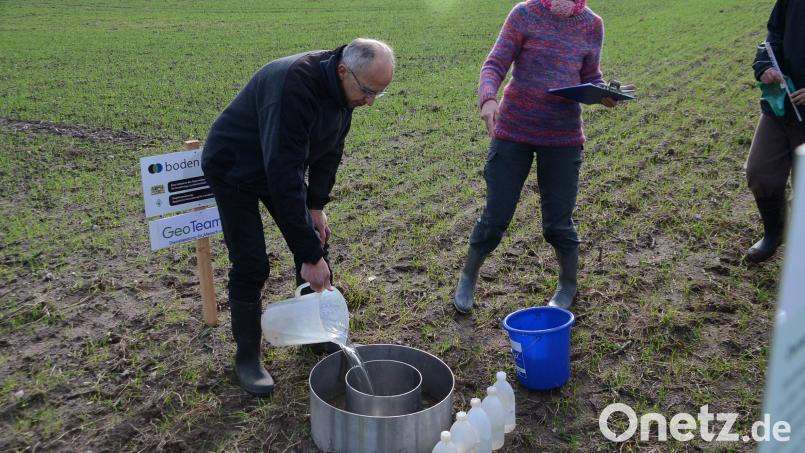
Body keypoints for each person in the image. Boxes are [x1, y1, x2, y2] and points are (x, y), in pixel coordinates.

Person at [201, 39, 395, 396]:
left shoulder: (344, 90)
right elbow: (284, 175)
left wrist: (317, 206)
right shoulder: (296, 86)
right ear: (343, 70)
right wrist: (309, 255)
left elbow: (329, 151)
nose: (369, 101)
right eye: (368, 91)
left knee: (316, 236)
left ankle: (315, 334)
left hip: (277, 164)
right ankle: (247, 359)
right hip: (235, 167)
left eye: (378, 94)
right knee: (252, 263)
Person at [454, 0, 631, 313]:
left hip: (562, 137)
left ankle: (567, 285)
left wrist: (606, 94)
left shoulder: (592, 24)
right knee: (496, 216)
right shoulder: (525, 13)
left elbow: (590, 75)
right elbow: (494, 64)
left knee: (558, 224)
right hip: (513, 131)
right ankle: (468, 276)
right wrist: (488, 100)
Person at [745, 0, 805, 263]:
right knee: (760, 172)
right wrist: (765, 66)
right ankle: (775, 232)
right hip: (782, 108)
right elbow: (774, 35)